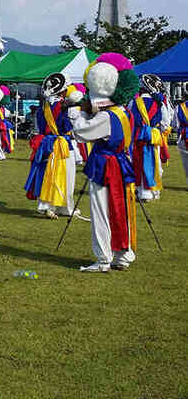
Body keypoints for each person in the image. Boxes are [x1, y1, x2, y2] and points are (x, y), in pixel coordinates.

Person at [68, 53, 140, 272]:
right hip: (120, 163)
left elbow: (81, 132)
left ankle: (103, 258)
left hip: (104, 164)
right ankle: (122, 254)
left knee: (101, 210)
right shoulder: (124, 111)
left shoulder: (105, 117)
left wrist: (76, 111)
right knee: (120, 210)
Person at [23, 74, 80, 219]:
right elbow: (74, 127)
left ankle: (46, 206)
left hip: (46, 144)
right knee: (67, 176)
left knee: (47, 175)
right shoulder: (68, 106)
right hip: (63, 144)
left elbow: (39, 128)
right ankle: (64, 207)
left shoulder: (43, 107)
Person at [129, 74, 171, 202]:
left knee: (137, 162)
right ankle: (153, 191)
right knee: (155, 162)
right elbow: (165, 122)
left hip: (138, 136)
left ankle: (139, 190)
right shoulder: (158, 103)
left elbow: (129, 119)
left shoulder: (133, 102)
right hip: (153, 136)